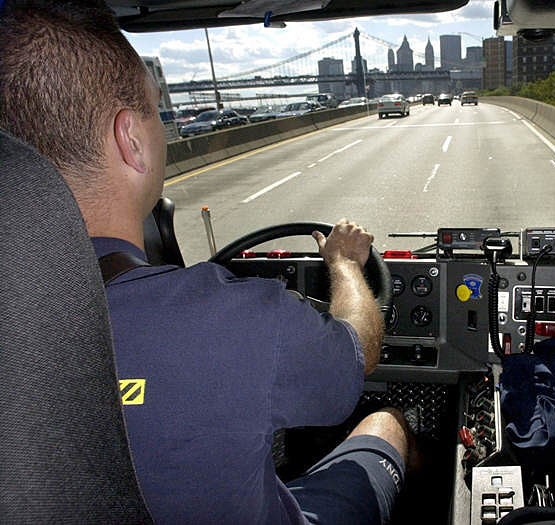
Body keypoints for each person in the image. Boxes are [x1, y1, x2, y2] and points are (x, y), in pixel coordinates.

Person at [0, 1, 411, 523]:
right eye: (154, 110)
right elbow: (358, 358)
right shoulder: (235, 317)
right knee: (386, 424)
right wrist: (345, 264)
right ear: (131, 139)